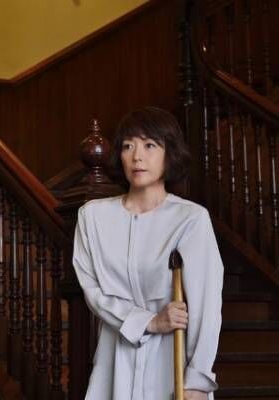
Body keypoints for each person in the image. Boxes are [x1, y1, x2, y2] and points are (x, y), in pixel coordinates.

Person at [72, 107, 223, 400]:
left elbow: (206, 304)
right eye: (128, 146)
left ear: (170, 154)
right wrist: (148, 322)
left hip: (171, 361)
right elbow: (93, 292)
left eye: (150, 145)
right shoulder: (92, 218)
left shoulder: (191, 219)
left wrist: (198, 379)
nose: (137, 156)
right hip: (115, 360)